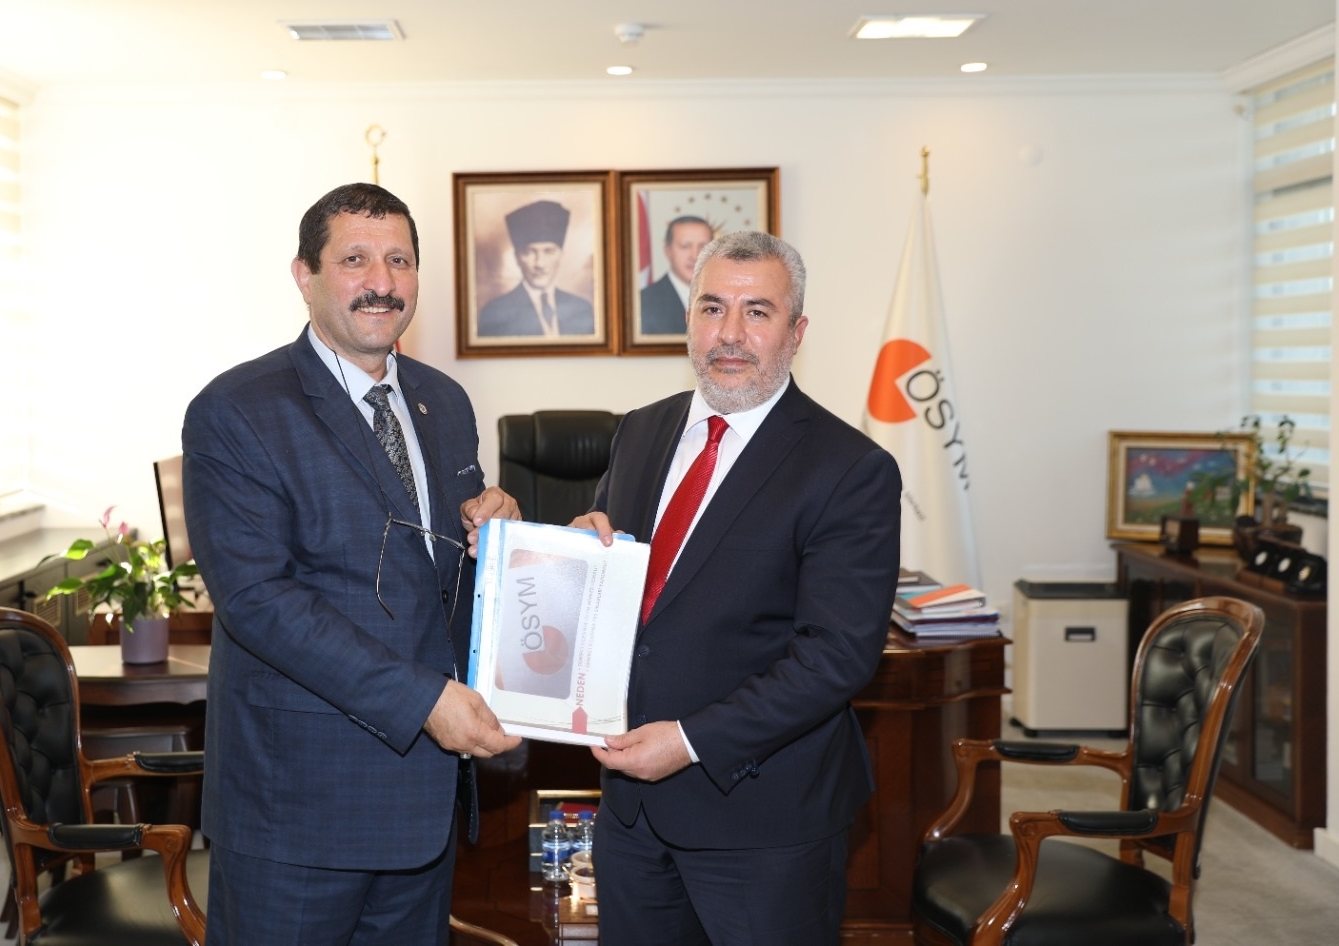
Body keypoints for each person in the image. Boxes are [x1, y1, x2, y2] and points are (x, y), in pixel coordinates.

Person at [182, 182, 523, 945]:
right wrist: (425, 700)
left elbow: (437, 576)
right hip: (297, 811)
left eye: (399, 261)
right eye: (355, 259)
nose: (382, 282)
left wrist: (497, 533)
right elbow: (259, 600)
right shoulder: (237, 410)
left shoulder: (444, 401)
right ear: (304, 276)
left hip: (422, 805)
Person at [571, 230, 901, 946]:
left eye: (757, 312)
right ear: (688, 319)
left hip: (764, 820)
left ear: (797, 332)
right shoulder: (640, 431)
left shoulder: (850, 468)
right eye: (712, 307)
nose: (729, 333)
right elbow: (631, 596)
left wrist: (690, 741)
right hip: (631, 814)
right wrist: (576, 557)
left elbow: (835, 657)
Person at [476, 198, 594, 337]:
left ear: (561, 255)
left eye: (549, 251)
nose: (540, 264)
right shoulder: (495, 313)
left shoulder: (582, 309)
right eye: (530, 252)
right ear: (517, 257)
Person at [638, 214, 714, 334]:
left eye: (703, 247)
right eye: (685, 246)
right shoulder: (643, 303)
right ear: (668, 251)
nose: (695, 256)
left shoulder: (727, 297)